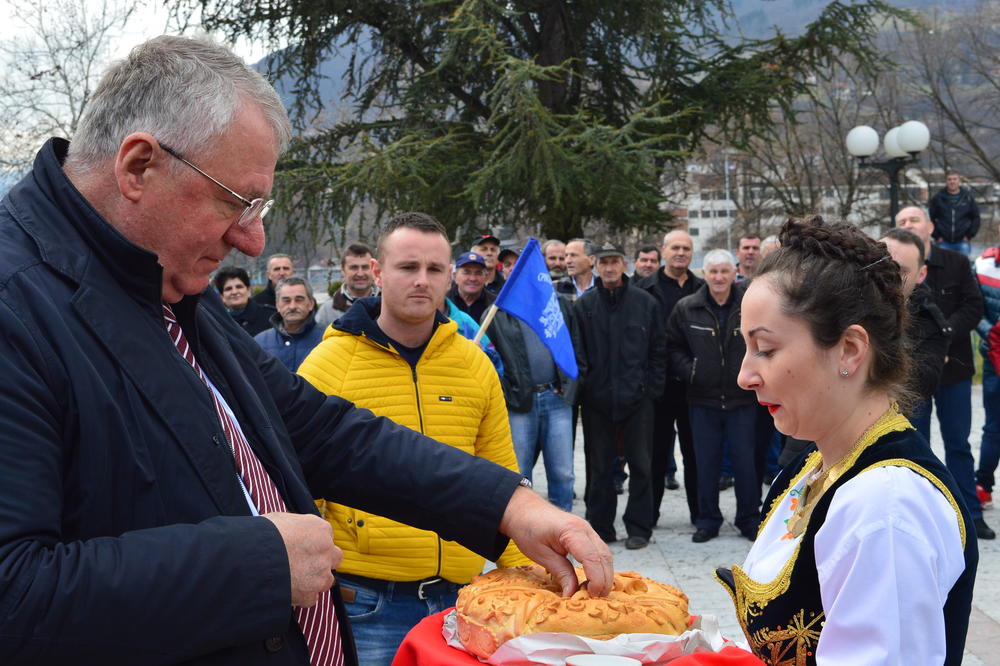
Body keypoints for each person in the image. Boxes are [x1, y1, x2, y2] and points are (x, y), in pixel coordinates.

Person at [0, 35, 615, 666]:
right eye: (237, 202)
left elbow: (316, 429)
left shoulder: (167, 282)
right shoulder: (16, 305)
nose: (252, 238)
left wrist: (507, 504)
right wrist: (256, 566)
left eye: (260, 206)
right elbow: (14, 593)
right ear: (137, 168)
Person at [720, 216, 977, 666]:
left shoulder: (885, 505)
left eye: (766, 348)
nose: (745, 376)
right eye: (746, 347)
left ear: (850, 350)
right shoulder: (813, 466)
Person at [297, 213, 531, 666]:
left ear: (449, 276)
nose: (421, 281)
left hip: (463, 603)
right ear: (378, 273)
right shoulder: (328, 365)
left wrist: (529, 576)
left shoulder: (474, 365)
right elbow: (301, 487)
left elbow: (502, 477)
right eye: (407, 267)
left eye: (434, 269)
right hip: (367, 606)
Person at [896, 205, 993, 540]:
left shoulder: (956, 262)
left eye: (913, 220)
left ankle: (970, 512)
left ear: (931, 226)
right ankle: (923, 518)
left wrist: (943, 342)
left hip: (955, 368)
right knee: (914, 444)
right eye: (901, 222)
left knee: (958, 443)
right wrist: (928, 352)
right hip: (912, 373)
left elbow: (973, 307)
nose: (908, 225)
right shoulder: (893, 266)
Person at [574, 243, 667, 549]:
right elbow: (579, 352)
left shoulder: (645, 303)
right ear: (595, 265)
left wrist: (651, 390)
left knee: (641, 465)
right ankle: (600, 527)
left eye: (615, 262)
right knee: (599, 467)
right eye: (604, 263)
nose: (610, 268)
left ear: (624, 263)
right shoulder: (584, 306)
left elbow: (657, 350)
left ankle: (639, 527)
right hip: (597, 400)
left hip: (639, 400)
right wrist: (586, 388)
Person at [667, 249, 759, 543]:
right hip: (702, 401)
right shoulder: (687, 307)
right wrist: (692, 371)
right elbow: (672, 347)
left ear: (735, 272)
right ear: (703, 274)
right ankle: (707, 520)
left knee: (746, 464)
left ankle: (749, 518)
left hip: (743, 400)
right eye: (713, 272)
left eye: (724, 271)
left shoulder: (750, 304)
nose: (719, 277)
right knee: (705, 464)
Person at [633, 230, 703, 525]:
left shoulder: (702, 287)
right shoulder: (645, 287)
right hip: (658, 386)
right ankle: (649, 515)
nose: (681, 252)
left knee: (696, 454)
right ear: (664, 251)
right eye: (675, 247)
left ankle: (701, 514)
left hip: (694, 384)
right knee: (656, 455)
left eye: (686, 248)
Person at [489, 294, 580, 513]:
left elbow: (575, 345)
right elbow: (488, 357)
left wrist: (570, 385)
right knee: (519, 474)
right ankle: (524, 531)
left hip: (556, 398)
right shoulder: (498, 310)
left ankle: (561, 532)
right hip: (519, 403)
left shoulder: (557, 304)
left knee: (563, 472)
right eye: (509, 264)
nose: (515, 267)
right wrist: (508, 391)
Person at [880, 228, 951, 404]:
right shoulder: (843, 298)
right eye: (883, 264)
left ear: (921, 275)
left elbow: (922, 385)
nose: (889, 275)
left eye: (901, 270)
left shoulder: (931, 322)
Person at [974, 227, 1000, 511]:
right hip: (995, 357)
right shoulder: (983, 264)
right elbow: (974, 308)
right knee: (994, 427)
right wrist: (992, 332)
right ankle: (984, 485)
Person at [254, 276, 325, 371]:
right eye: (286, 301)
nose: (292, 306)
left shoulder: (326, 340)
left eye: (299, 300)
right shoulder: (260, 342)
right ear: (277, 305)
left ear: (311, 304)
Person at [314, 243, 378, 328]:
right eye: (354, 267)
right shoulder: (327, 311)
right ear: (343, 270)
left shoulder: (387, 306)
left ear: (373, 269)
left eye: (365, 267)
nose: (360, 273)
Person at [929, 171, 981, 255]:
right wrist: (936, 236)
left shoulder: (967, 197)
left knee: (964, 267)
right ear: (946, 181)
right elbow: (930, 218)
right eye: (949, 179)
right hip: (943, 242)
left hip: (963, 242)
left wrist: (969, 235)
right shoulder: (938, 198)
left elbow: (976, 217)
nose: (952, 181)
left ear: (959, 181)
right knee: (943, 267)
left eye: (954, 179)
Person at [213, 265, 275, 335]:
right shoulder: (217, 322)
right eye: (228, 289)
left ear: (248, 291)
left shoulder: (270, 317)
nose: (234, 292)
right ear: (222, 296)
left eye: (239, 287)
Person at [447, 251, 496, 323]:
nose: (472, 278)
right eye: (466, 272)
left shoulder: (495, 305)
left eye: (478, 273)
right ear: (455, 276)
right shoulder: (442, 302)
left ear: (485, 277)